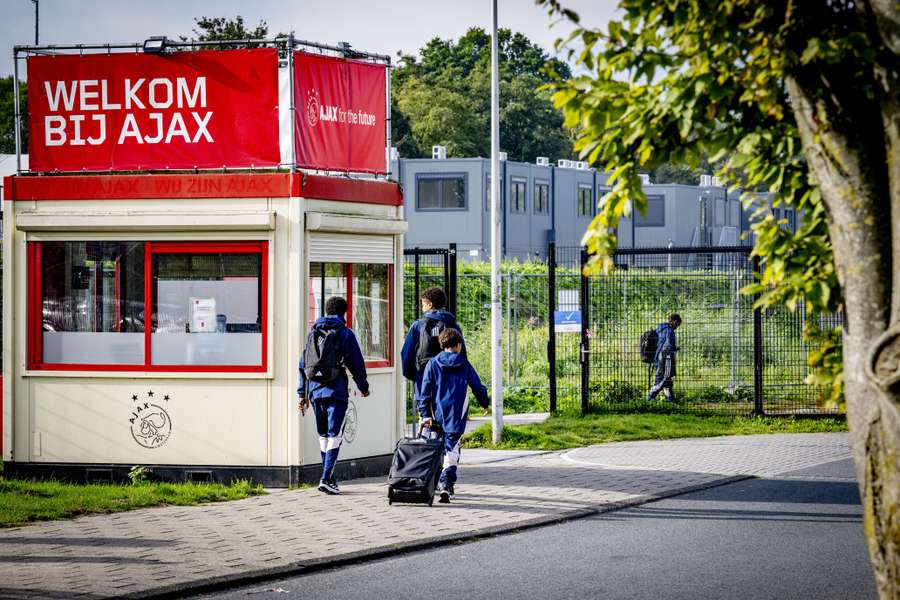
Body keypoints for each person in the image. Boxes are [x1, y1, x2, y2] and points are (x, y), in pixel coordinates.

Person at [298, 296, 370, 495]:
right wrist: (363, 387)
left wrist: (301, 394)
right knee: (335, 434)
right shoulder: (344, 333)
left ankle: (328, 477)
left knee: (323, 435)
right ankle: (326, 477)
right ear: (344, 313)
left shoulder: (313, 332)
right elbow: (356, 362)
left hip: (314, 391)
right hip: (336, 390)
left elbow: (303, 363)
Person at [419, 328, 489, 503]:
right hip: (457, 412)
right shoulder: (464, 364)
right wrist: (484, 403)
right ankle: (446, 483)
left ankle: (435, 482)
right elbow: (477, 385)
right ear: (458, 345)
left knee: (441, 444)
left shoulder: (433, 364)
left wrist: (425, 413)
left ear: (442, 345)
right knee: (453, 446)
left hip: (437, 412)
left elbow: (424, 391)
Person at [400, 287, 466, 412]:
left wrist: (413, 375)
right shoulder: (453, 325)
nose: (422, 307)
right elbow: (461, 354)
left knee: (426, 420)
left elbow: (406, 354)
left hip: (423, 382)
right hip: (449, 386)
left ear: (430, 305)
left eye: (423, 304)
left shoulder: (418, 326)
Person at [647, 313, 682, 402]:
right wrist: (675, 348)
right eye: (677, 324)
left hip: (656, 357)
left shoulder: (660, 328)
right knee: (663, 380)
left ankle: (671, 400)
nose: (677, 327)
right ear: (674, 321)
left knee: (667, 381)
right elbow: (669, 346)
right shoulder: (670, 331)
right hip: (665, 358)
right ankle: (649, 399)